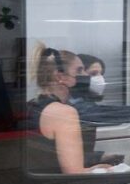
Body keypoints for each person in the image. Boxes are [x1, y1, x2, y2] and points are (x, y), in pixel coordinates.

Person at [26, 47, 120, 176]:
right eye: (79, 70)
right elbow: (74, 173)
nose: (85, 76)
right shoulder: (64, 113)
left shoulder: (33, 105)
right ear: (61, 77)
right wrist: (101, 169)